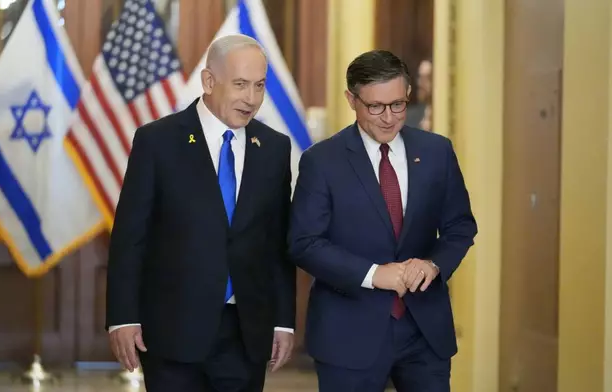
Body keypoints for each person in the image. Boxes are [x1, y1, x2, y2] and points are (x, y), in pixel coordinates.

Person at [105, 34, 296, 392]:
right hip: (172, 331)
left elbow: (276, 245)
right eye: (240, 85)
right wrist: (122, 317)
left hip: (246, 332)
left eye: (259, 86)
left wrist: (283, 322)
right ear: (209, 81)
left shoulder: (273, 148)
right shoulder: (157, 141)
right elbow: (130, 238)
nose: (251, 99)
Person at [288, 50, 477, 391]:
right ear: (352, 99)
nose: (389, 118)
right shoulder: (322, 161)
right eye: (375, 106)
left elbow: (460, 226)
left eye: (398, 105)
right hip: (348, 332)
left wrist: (433, 264)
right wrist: (375, 274)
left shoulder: (437, 152)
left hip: (424, 332)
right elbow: (304, 243)